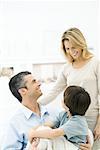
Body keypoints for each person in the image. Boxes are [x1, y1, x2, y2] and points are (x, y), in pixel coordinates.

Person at [37, 27, 100, 150]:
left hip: (93, 118)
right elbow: (55, 90)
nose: (72, 51)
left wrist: (99, 123)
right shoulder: (67, 68)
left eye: (74, 46)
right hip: (72, 119)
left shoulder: (95, 63)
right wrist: (35, 103)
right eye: (68, 48)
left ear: (80, 43)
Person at [1, 71, 91, 150]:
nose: (39, 83)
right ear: (23, 91)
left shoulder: (55, 112)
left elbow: (76, 133)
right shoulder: (16, 122)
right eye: (34, 82)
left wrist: (87, 145)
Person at [28, 86, 91, 150]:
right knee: (43, 130)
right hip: (65, 144)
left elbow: (54, 133)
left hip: (74, 147)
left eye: (64, 98)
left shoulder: (77, 122)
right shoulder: (64, 114)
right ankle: (34, 147)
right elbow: (49, 124)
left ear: (67, 106)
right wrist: (34, 129)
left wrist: (33, 133)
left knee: (47, 135)